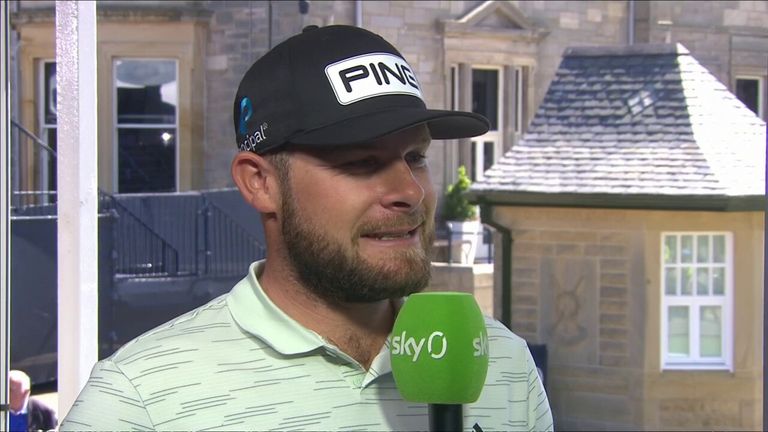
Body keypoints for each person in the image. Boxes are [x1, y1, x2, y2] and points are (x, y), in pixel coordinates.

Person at [60, 25, 553, 431]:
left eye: (416, 157)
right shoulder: (137, 401)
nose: (411, 190)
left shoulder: (504, 363)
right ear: (260, 183)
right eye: (361, 161)